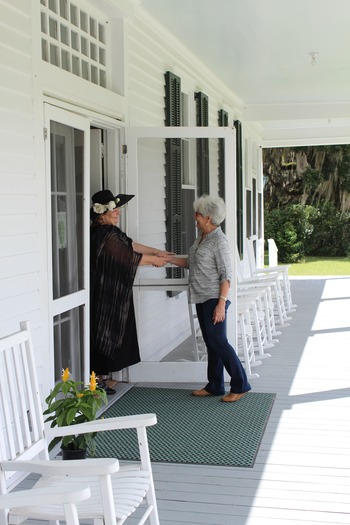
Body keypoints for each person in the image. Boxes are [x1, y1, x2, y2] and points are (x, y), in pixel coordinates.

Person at [170, 195, 251, 402]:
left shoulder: (219, 242)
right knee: (211, 343)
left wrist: (221, 304)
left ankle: (240, 384)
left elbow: (227, 276)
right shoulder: (202, 237)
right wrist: (168, 259)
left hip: (214, 299)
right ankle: (215, 385)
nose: (194, 217)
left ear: (207, 217)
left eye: (197, 214)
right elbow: (193, 263)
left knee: (219, 341)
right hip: (200, 296)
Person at [90, 189, 172, 393]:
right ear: (101, 212)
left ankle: (103, 377)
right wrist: (155, 261)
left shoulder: (110, 232)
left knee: (113, 332)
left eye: (118, 208)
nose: (118, 212)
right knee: (104, 332)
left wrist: (156, 251)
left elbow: (130, 245)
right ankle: (97, 380)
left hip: (112, 293)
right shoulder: (104, 234)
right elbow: (126, 257)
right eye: (114, 209)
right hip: (105, 294)